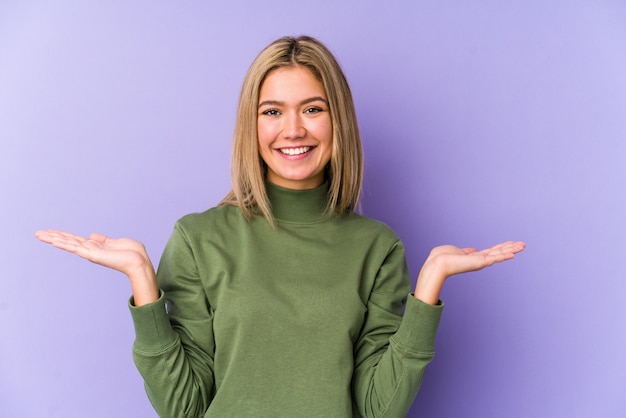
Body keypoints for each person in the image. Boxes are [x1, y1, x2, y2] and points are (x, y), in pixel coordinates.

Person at [35, 35, 525, 417]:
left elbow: (379, 409)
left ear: (339, 122)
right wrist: (143, 282)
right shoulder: (199, 239)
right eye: (272, 112)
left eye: (313, 109)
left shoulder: (377, 248)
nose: (293, 130)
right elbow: (184, 409)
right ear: (253, 125)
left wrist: (428, 290)